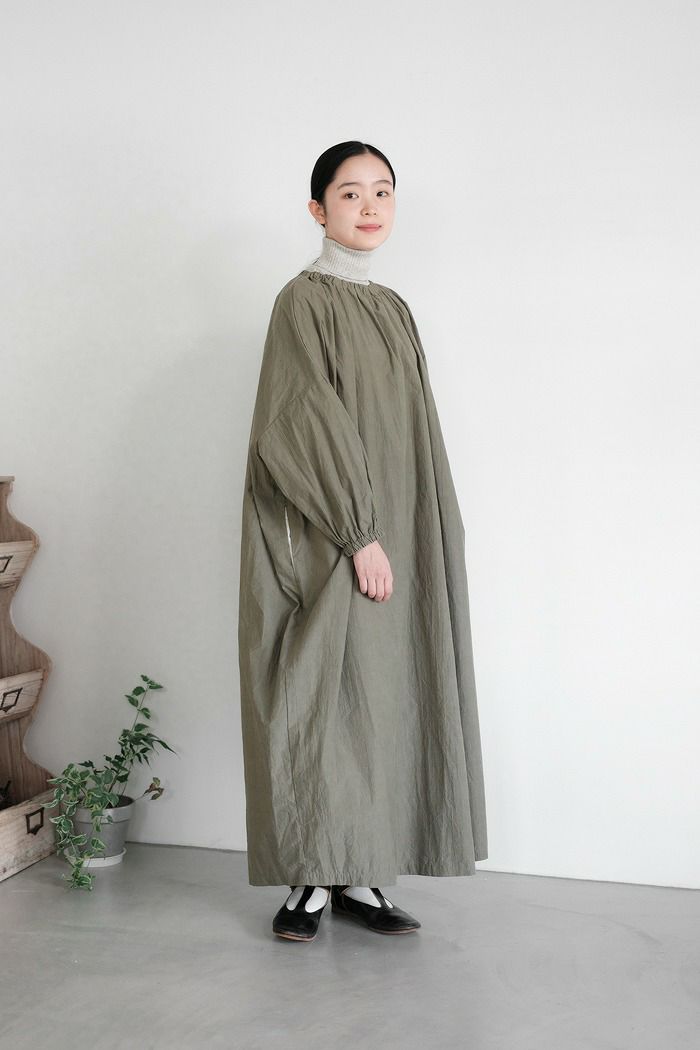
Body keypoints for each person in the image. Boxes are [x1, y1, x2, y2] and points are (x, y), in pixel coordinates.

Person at [238, 141, 488, 942]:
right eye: (350, 193)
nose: (370, 206)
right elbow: (299, 421)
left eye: (383, 191)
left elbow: (409, 431)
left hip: (397, 528)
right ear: (318, 209)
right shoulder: (301, 301)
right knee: (323, 694)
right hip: (331, 536)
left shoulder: (393, 308)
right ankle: (311, 878)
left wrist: (428, 528)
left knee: (382, 693)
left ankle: (360, 874)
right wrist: (358, 534)